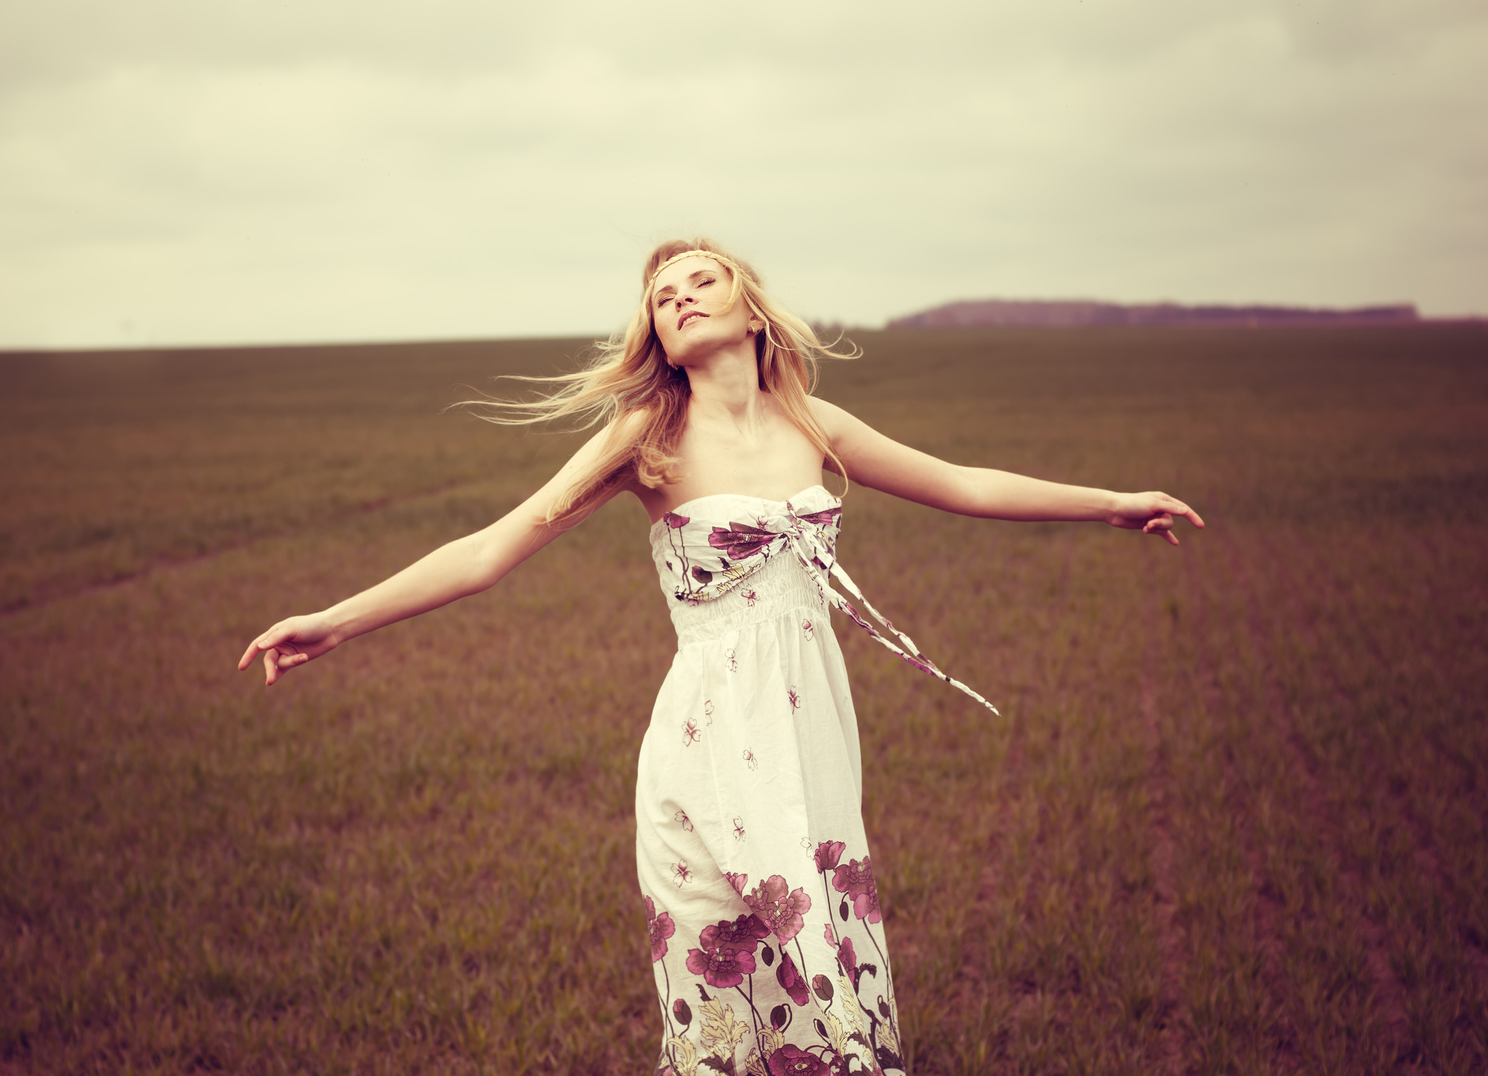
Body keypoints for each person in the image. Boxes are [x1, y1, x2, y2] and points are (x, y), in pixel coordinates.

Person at [237, 238, 1203, 1075]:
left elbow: (962, 484)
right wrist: (336, 619)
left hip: (810, 738)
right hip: (708, 744)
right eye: (661, 297)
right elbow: (488, 552)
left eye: (700, 281)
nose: (679, 298)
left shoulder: (812, 424)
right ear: (655, 337)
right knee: (723, 1008)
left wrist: (1112, 502)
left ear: (749, 307)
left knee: (830, 982)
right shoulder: (643, 438)